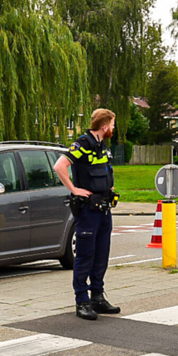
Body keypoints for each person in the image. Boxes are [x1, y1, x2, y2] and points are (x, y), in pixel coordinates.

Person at [53, 108, 121, 320]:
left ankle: (97, 298)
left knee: (101, 255)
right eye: (112, 124)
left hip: (103, 209)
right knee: (85, 256)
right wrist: (74, 189)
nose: (113, 128)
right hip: (88, 211)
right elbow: (60, 166)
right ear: (104, 126)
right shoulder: (82, 145)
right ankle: (82, 301)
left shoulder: (103, 146)